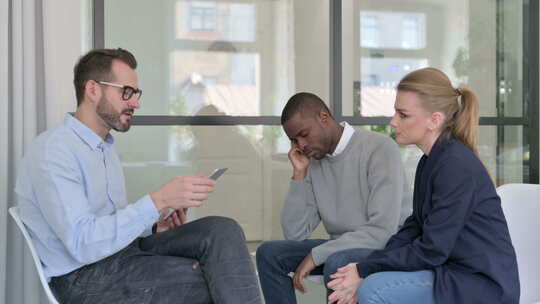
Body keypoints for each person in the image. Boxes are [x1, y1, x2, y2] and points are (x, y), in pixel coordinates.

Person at [14, 48, 262, 304]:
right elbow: (82, 243)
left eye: (136, 93)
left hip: (122, 254)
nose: (136, 103)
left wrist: (154, 225)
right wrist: (157, 201)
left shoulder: (104, 147)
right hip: (83, 276)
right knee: (214, 276)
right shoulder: (54, 151)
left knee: (222, 230)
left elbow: (110, 222)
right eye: (127, 92)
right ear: (92, 90)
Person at [327, 67, 520, 304]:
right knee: (341, 265)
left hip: (477, 284)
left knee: (374, 289)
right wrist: (366, 266)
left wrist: (367, 270)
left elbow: (432, 249)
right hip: (446, 269)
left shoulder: (455, 165)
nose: (393, 121)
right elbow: (415, 226)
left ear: (434, 120)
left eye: (403, 115)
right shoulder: (430, 160)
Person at [256, 92, 412, 303]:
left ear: (323, 117)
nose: (301, 145)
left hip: (388, 246)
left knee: (337, 261)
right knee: (269, 254)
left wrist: (315, 256)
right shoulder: (315, 160)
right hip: (342, 246)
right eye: (294, 140)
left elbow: (382, 231)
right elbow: (295, 233)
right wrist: (299, 175)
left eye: (304, 134)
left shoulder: (379, 148)